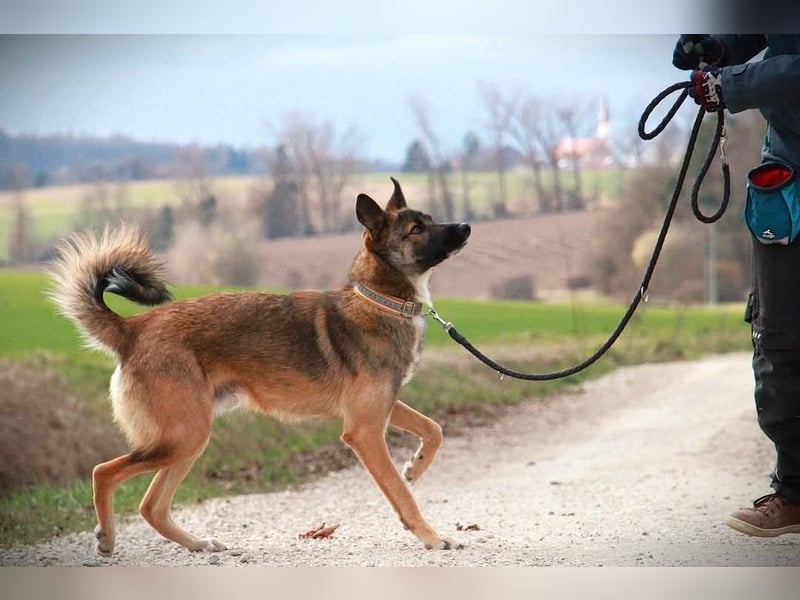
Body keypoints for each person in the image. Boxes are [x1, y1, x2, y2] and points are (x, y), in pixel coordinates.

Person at [672, 34, 800, 537]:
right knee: (779, 341)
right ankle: (794, 491)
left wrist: (732, 84)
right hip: (788, 175)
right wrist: (720, 47)